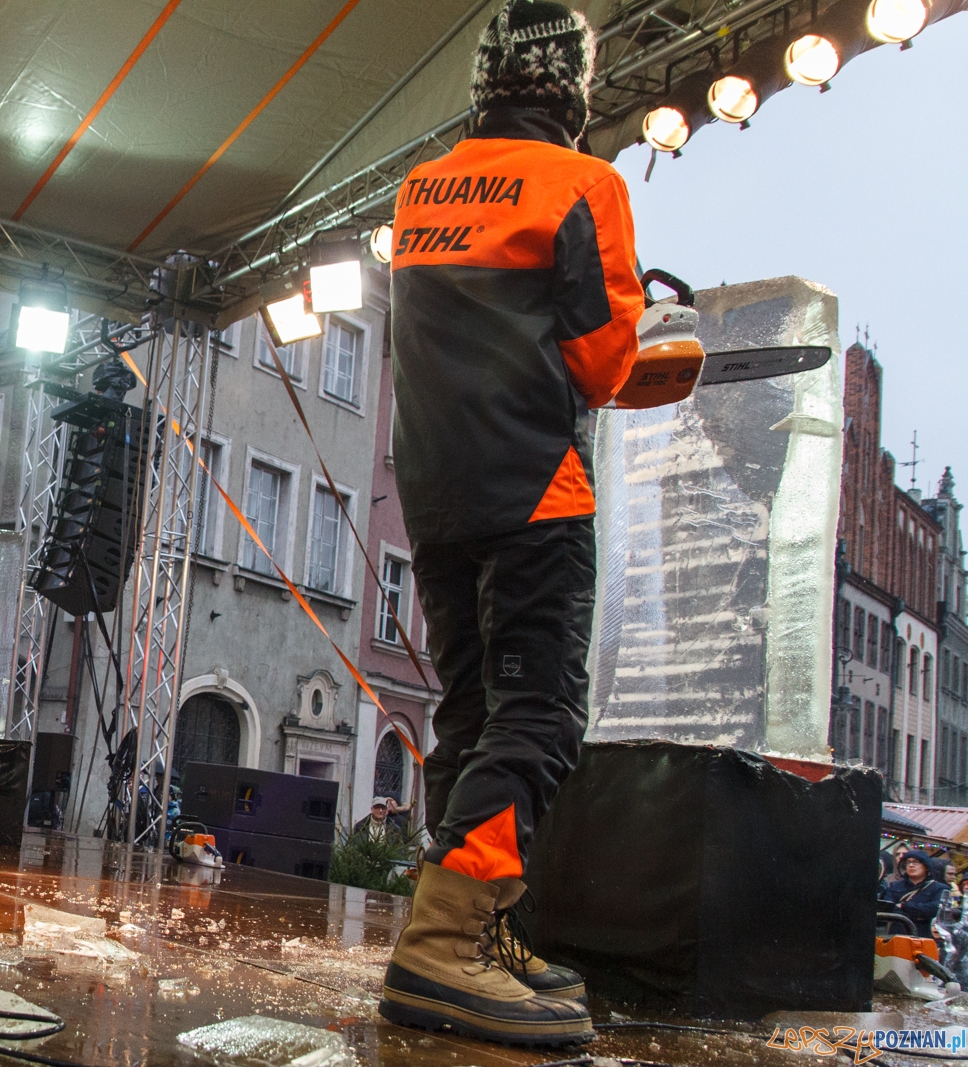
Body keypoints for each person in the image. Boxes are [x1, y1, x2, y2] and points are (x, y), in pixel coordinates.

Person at [379, 0, 645, 1046]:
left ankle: (471, 927)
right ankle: (444, 947)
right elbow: (601, 359)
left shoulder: (421, 188)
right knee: (537, 717)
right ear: (571, 83)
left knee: (470, 712)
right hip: (534, 485)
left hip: (436, 492)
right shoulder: (587, 183)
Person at [884, 850, 949, 936]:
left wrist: (904, 906)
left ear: (926, 866)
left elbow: (935, 909)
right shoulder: (894, 886)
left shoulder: (939, 888)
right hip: (897, 935)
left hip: (925, 935)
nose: (911, 865)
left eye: (916, 862)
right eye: (908, 862)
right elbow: (888, 908)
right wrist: (919, 914)